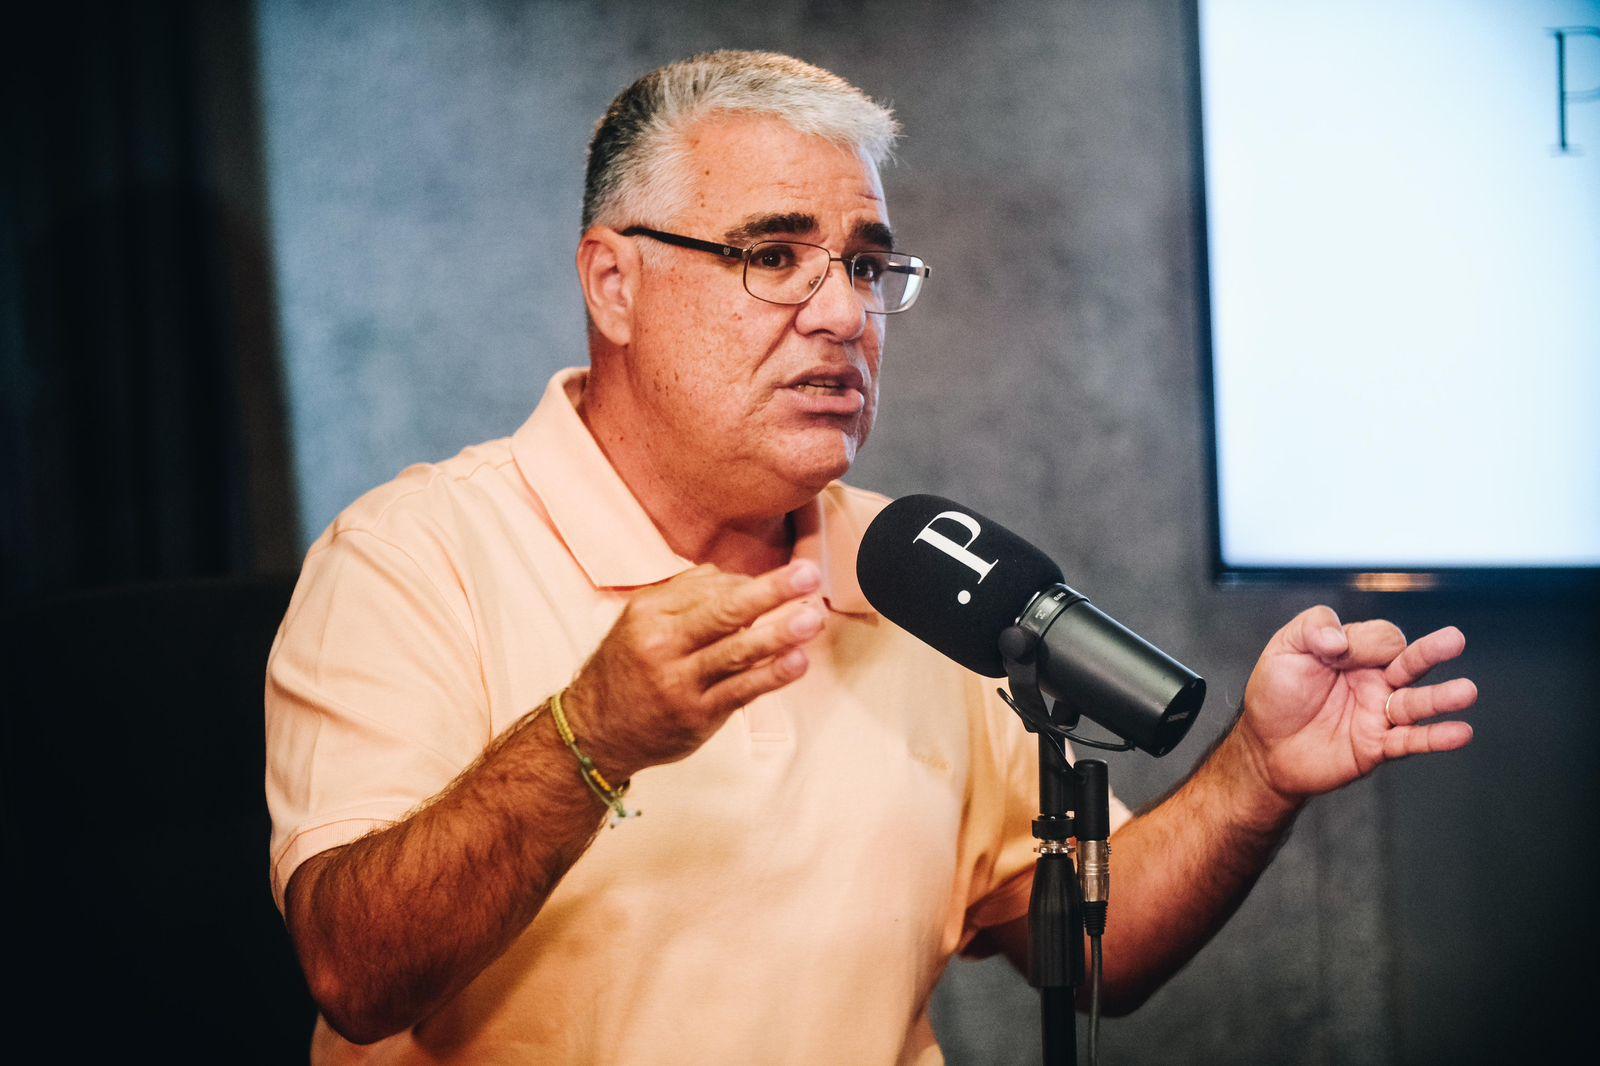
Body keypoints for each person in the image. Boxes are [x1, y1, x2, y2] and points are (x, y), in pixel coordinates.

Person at [265, 51, 1477, 1064]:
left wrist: (1258, 772)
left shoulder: (915, 570)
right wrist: (594, 732)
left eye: (863, 264)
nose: (843, 314)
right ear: (613, 281)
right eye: (771, 254)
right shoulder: (411, 557)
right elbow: (354, 970)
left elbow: (1081, 948)